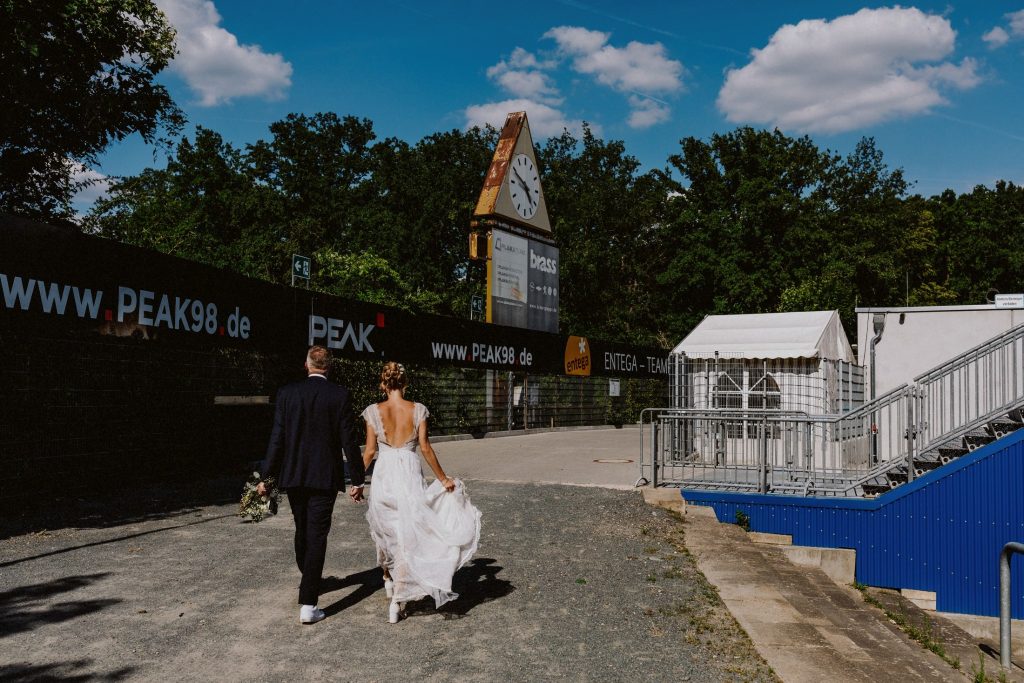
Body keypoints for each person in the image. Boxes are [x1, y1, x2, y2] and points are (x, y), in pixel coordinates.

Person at [362, 362, 481, 623]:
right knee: (407, 537)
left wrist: (357, 481)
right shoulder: (418, 410)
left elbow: (370, 452)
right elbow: (425, 448)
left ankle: (388, 581)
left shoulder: (372, 412)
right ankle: (397, 602)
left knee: (385, 531)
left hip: (383, 477)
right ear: (405, 383)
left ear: (383, 384)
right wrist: (443, 478)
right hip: (408, 476)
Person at [257, 345, 365, 625]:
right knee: (316, 534)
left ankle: (309, 580)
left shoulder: (286, 394)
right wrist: (358, 479)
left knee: (302, 529)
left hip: (292, 475)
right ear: (328, 367)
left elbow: (276, 440)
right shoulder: (339, 395)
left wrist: (265, 478)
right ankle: (308, 602)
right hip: (324, 477)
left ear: (307, 365)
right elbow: (349, 442)